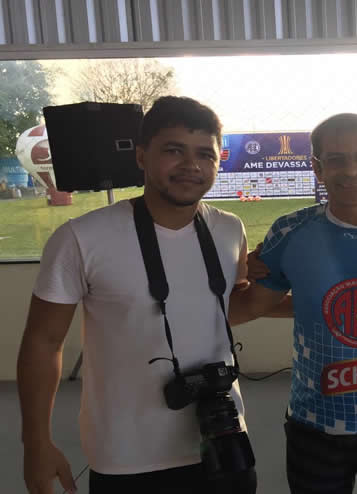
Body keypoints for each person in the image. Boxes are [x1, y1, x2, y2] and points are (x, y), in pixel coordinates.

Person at [17, 96, 283, 494]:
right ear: (141, 156)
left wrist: (298, 291)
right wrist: (36, 443)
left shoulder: (230, 228)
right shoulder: (81, 238)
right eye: (174, 151)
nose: (191, 165)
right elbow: (43, 341)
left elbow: (225, 309)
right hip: (125, 455)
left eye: (204, 154)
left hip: (223, 441)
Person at [231, 113, 357, 494]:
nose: (352, 170)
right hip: (315, 423)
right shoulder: (290, 231)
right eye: (336, 159)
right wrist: (225, 274)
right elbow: (247, 307)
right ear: (317, 168)